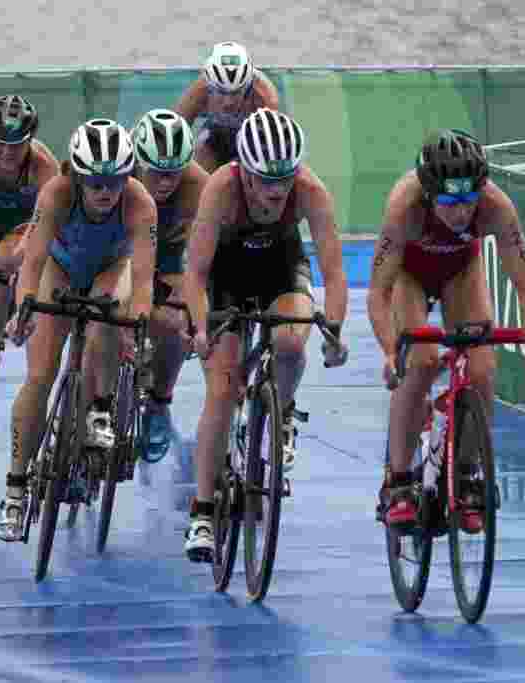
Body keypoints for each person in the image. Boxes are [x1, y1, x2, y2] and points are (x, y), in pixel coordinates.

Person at [182, 108, 349, 562]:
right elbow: (195, 273)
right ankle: (201, 509)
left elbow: (335, 274)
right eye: (265, 181)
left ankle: (285, 410)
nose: (276, 192)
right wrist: (199, 327)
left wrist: (332, 330)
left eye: (284, 180)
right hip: (226, 274)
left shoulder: (310, 191)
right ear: (244, 172)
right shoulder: (220, 189)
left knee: (293, 342)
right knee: (222, 388)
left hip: (280, 268)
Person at [367, 129, 525, 530]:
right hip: (409, 276)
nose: (462, 211)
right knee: (421, 362)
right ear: (430, 194)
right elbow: (379, 291)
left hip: (460, 271)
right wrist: (387, 351)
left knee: (483, 370)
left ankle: (466, 475)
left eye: (468, 199)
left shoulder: (497, 206)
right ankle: (397, 481)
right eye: (450, 201)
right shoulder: (405, 207)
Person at [0, 119, 157, 542]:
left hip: (110, 270)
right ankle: (15, 488)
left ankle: (99, 406)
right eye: (97, 183)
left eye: (115, 182)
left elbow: (142, 278)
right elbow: (31, 263)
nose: (106, 192)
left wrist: (139, 321)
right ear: (78, 177)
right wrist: (24, 309)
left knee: (109, 311)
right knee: (39, 377)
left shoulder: (139, 203)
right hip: (60, 268)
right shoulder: (57, 193)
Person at [0, 95, 60, 389]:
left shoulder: (43, 167)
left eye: (17, 144)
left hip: (20, 227)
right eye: (0, 142)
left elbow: (48, 222)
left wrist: (24, 255)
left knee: (4, 260)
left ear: (30, 141)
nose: (7, 152)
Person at [130, 108, 208, 460]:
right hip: (122, 253)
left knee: (176, 323)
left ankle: (160, 402)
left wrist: (194, 309)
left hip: (170, 257)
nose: (165, 182)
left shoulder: (199, 187)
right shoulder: (121, 173)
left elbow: (199, 259)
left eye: (173, 174)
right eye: (157, 173)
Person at [174, 42, 279, 173]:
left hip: (251, 139)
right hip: (215, 136)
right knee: (200, 156)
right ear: (210, 86)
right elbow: (176, 133)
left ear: (247, 87)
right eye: (221, 92)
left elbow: (272, 145)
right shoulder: (200, 90)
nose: (228, 102)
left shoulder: (264, 96)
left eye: (236, 93)